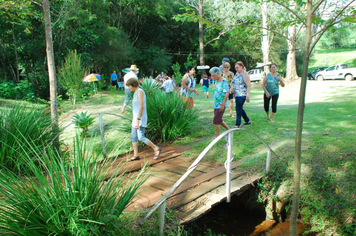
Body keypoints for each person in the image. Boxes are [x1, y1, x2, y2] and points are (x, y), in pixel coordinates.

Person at [126, 78, 162, 161]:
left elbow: (142, 107)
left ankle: (156, 148)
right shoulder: (135, 92)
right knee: (133, 136)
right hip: (135, 118)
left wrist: (138, 119)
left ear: (133, 85)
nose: (128, 88)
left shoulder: (139, 92)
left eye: (129, 86)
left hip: (140, 118)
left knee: (140, 137)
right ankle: (136, 155)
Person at [209, 67, 230, 137]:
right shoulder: (215, 81)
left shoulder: (224, 81)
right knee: (219, 118)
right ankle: (228, 129)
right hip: (216, 104)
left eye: (213, 75)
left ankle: (217, 136)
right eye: (211, 75)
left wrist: (223, 105)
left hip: (221, 104)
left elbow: (227, 93)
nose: (212, 77)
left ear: (218, 74)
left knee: (216, 120)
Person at [231, 61, 251, 128]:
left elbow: (249, 85)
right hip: (237, 94)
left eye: (237, 68)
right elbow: (233, 82)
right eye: (235, 68)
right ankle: (247, 120)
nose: (236, 69)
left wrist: (247, 95)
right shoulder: (237, 74)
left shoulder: (245, 74)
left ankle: (238, 124)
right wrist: (231, 88)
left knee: (238, 108)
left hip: (242, 94)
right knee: (239, 108)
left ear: (241, 67)